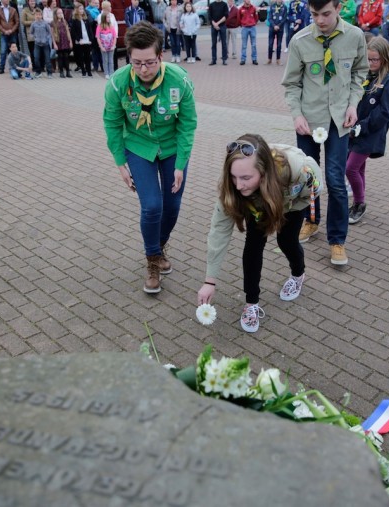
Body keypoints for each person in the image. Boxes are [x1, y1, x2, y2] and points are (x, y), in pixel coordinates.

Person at [103, 21, 197, 293]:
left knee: (173, 206)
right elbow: (111, 123)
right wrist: (120, 163)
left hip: (171, 148)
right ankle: (153, 260)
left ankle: (160, 245)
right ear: (129, 58)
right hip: (138, 147)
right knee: (152, 206)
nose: (143, 70)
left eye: (149, 63)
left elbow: (187, 124)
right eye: (136, 63)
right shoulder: (118, 84)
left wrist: (180, 165)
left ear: (160, 56)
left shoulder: (179, 80)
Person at [197, 134, 322, 333]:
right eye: (233, 176)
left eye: (246, 178)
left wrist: (283, 209)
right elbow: (219, 231)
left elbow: (313, 192)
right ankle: (251, 303)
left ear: (263, 173)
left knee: (287, 241)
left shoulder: (299, 170)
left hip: (289, 201)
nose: (238, 185)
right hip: (255, 202)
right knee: (253, 246)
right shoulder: (234, 186)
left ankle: (298, 275)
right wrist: (209, 281)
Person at [282, 0, 368, 265]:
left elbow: (359, 72)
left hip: (339, 122)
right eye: (315, 14)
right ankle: (311, 220)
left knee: (334, 180)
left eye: (326, 13)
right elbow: (292, 83)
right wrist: (297, 114)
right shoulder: (300, 40)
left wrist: (353, 104)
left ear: (339, 8)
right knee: (308, 178)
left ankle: (338, 241)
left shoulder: (355, 36)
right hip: (309, 121)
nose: (320, 20)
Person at [346, 37, 389, 223]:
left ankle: (359, 204)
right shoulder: (367, 76)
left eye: (374, 59)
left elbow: (384, 113)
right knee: (358, 168)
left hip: (370, 134)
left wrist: (362, 126)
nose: (370, 63)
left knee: (350, 169)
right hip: (356, 130)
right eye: (368, 59)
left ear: (384, 59)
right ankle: (357, 200)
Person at [0, 0, 18, 74]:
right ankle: (1, 68)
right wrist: (4, 31)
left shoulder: (13, 9)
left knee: (14, 51)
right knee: (3, 51)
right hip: (3, 33)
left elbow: (17, 21)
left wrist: (12, 30)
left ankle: (15, 67)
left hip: (12, 33)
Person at [96, 2, 118, 78]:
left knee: (111, 60)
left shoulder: (112, 20)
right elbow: (98, 36)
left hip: (111, 44)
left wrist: (114, 44)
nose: (111, 7)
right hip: (104, 45)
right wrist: (101, 46)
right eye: (109, 6)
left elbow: (115, 32)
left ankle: (111, 72)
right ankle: (106, 73)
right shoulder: (100, 20)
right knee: (105, 60)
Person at [70, 3, 93, 76]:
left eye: (82, 9)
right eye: (80, 9)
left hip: (87, 40)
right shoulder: (75, 20)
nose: (82, 10)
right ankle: (83, 71)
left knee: (88, 57)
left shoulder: (85, 19)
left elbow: (89, 30)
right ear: (76, 10)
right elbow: (73, 31)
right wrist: (78, 39)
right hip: (79, 41)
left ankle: (89, 71)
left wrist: (90, 39)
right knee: (81, 57)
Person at [30, 7, 53, 77]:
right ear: (35, 16)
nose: (38, 16)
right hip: (37, 44)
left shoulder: (45, 23)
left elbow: (49, 32)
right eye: (36, 15)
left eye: (39, 15)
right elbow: (31, 33)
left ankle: (49, 73)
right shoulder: (33, 24)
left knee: (47, 59)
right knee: (36, 58)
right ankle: (38, 72)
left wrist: (47, 38)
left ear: (41, 15)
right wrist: (35, 37)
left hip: (45, 44)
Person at [52, 7, 73, 77]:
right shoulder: (53, 23)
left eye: (61, 13)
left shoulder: (64, 21)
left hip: (65, 40)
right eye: (59, 13)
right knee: (60, 56)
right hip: (58, 41)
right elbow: (52, 34)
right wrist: (54, 43)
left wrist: (70, 41)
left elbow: (68, 31)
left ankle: (68, 71)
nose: (60, 14)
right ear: (55, 14)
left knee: (66, 56)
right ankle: (61, 71)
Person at [208, 0, 228, 65]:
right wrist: (214, 24)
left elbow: (226, 16)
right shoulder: (211, 5)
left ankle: (224, 59)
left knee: (224, 43)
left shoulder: (224, 4)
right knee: (213, 43)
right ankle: (214, 59)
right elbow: (209, 16)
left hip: (222, 26)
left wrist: (218, 23)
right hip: (213, 26)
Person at [238, 0, 259, 65]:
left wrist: (254, 23)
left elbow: (256, 18)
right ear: (244, 1)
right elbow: (239, 18)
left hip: (252, 27)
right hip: (244, 28)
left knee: (254, 45)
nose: (249, 1)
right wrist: (242, 24)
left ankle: (254, 59)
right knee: (244, 45)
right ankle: (243, 59)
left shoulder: (253, 8)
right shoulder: (241, 9)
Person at [267, 0, 286, 64]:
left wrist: (278, 26)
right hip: (272, 28)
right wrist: (274, 25)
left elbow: (284, 18)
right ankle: (269, 59)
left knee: (279, 45)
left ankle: (278, 59)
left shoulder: (284, 7)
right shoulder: (272, 6)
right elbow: (269, 18)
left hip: (280, 29)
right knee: (270, 44)